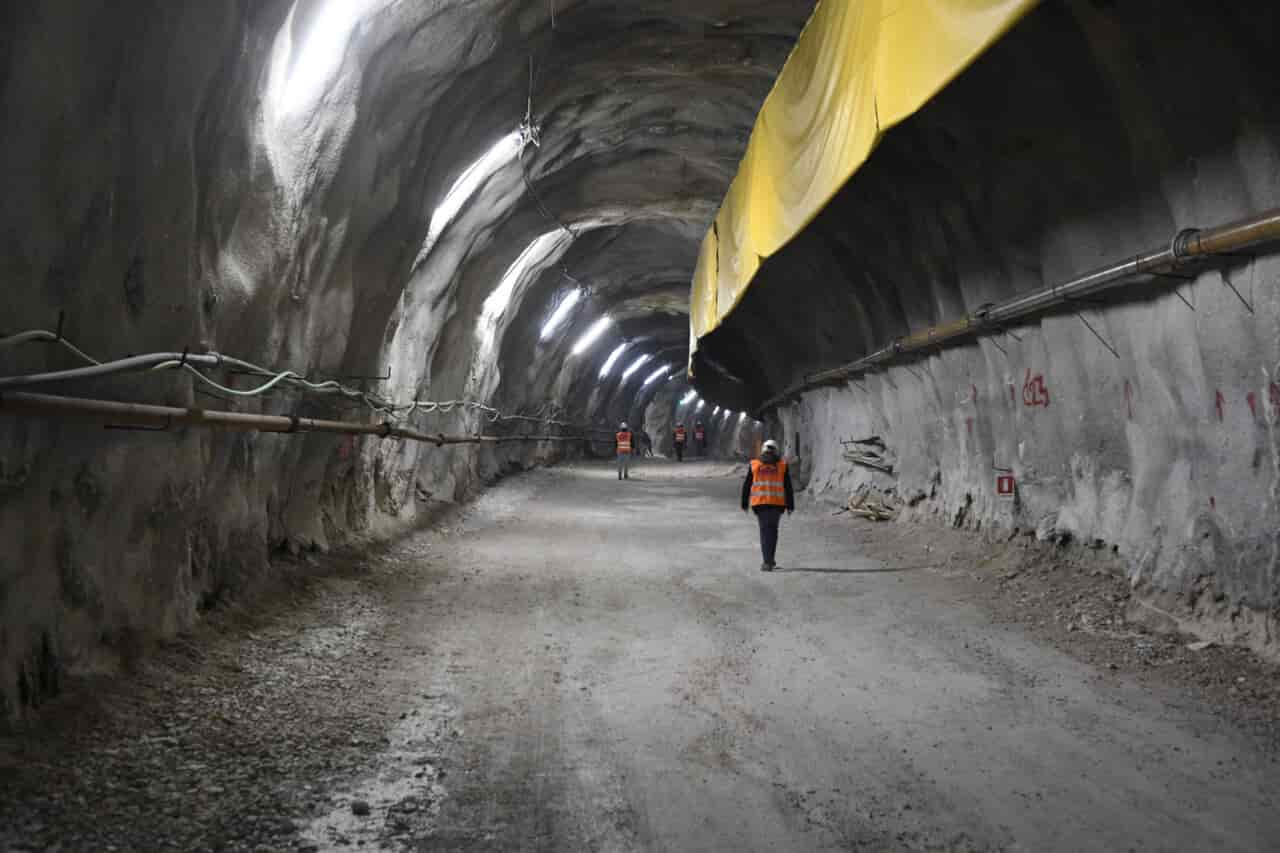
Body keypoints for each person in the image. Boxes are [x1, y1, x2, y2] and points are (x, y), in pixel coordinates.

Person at [741, 439, 794, 571]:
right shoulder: (782, 465)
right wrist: (790, 505)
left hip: (760, 504)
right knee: (773, 532)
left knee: (765, 532)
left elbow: (747, 485)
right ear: (776, 450)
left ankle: (767, 561)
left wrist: (744, 503)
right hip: (777, 504)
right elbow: (788, 487)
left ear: (763, 450)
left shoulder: (754, 464)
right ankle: (769, 560)